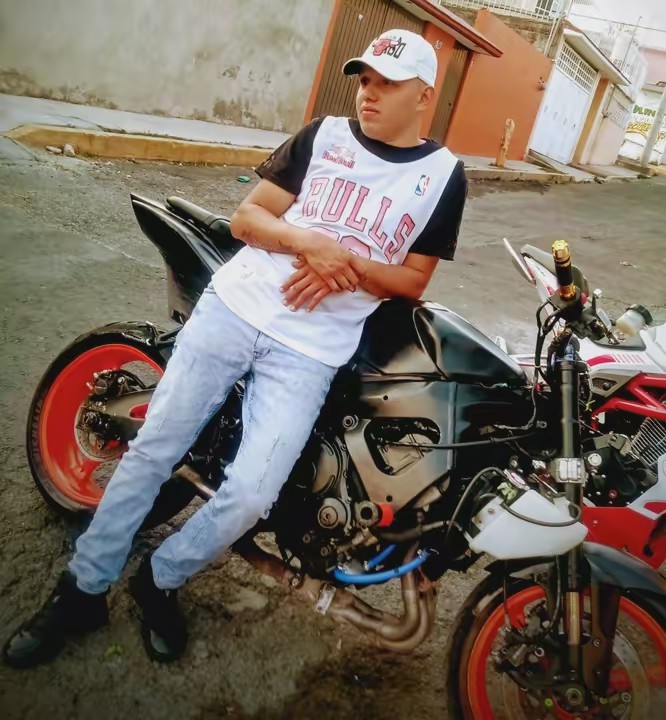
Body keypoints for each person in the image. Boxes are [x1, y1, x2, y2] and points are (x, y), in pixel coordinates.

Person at [3, 28, 467, 668]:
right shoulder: (322, 136)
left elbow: (412, 282)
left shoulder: (443, 177)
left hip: (311, 351)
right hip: (236, 307)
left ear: (424, 95)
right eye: (365, 80)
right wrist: (309, 244)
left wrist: (347, 263)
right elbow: (249, 220)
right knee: (156, 447)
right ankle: (82, 588)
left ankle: (160, 578)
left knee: (252, 495)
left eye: (387, 83)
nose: (369, 93)